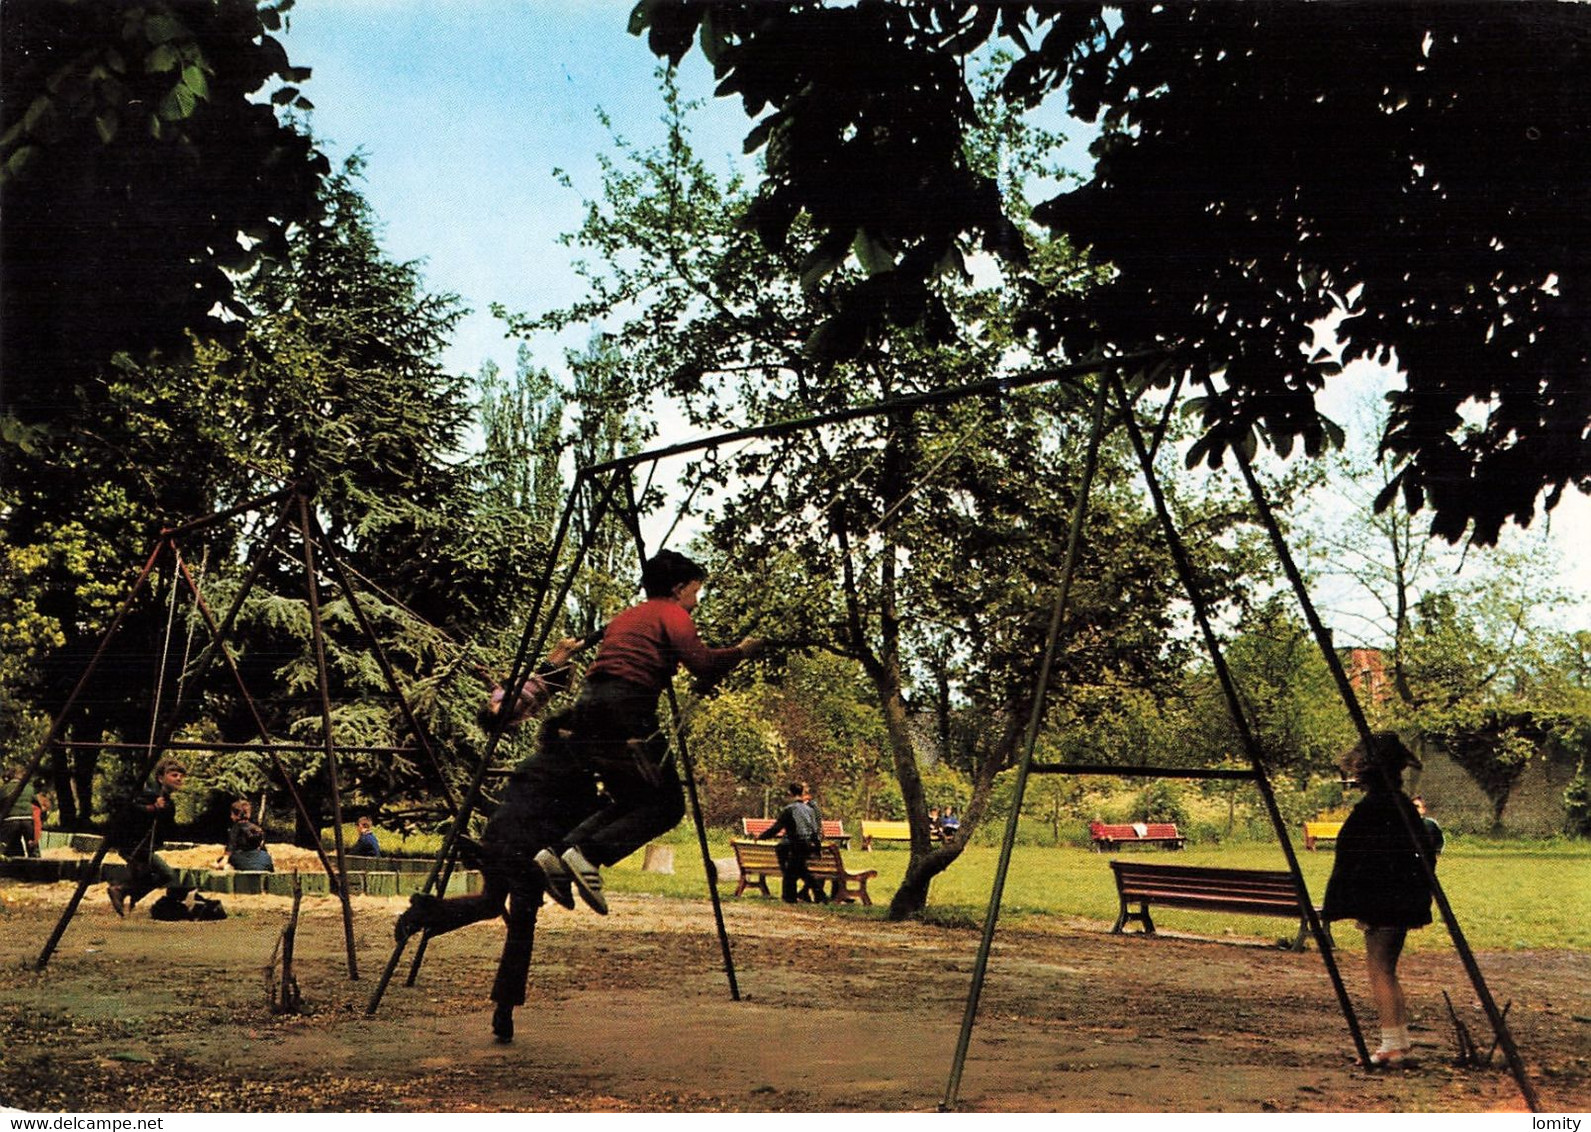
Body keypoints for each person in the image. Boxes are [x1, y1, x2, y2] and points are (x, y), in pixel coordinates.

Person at [533, 551, 762, 915]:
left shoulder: (626, 616)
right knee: (666, 805)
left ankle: (559, 853)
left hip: (589, 710)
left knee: (630, 799)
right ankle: (589, 855)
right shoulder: (672, 614)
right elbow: (702, 663)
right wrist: (741, 652)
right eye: (695, 592)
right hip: (626, 710)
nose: (696, 602)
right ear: (679, 587)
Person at [395, 709, 602, 1043]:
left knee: (491, 903)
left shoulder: (532, 762)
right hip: (528, 853)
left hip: (497, 841)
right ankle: (504, 1008)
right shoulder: (577, 772)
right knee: (521, 929)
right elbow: (586, 820)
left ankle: (425, 912)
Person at [1322, 732, 1436, 1067]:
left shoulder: (1376, 808)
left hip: (1386, 901)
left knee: (1380, 970)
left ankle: (1393, 1046)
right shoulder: (1398, 805)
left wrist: (1353, 902)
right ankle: (1395, 1044)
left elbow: (1357, 856)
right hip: (1397, 899)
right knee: (1385, 969)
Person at [106, 757, 190, 917]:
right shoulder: (150, 794)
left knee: (148, 876)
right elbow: (127, 808)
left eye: (181, 776)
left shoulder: (167, 801)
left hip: (145, 845)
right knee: (167, 874)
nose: (179, 778)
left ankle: (129, 894)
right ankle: (121, 891)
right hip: (134, 844)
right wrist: (152, 808)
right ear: (160, 778)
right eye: (174, 775)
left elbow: (167, 825)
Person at [757, 781, 825, 903]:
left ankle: (792, 898)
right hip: (807, 845)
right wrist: (817, 846)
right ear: (801, 792)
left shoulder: (789, 809)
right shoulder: (809, 810)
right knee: (799, 870)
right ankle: (816, 895)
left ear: (790, 793)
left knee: (792, 872)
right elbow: (815, 830)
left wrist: (761, 837)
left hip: (795, 845)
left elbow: (776, 828)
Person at [3, 767, 38, 858]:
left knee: (7, 846)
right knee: (31, 846)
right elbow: (36, 802)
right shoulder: (29, 788)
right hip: (27, 820)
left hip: (11, 820)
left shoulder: (4, 788)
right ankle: (35, 863)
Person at [215, 798, 255, 868]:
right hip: (254, 857)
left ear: (237, 815)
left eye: (232, 814)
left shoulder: (236, 828)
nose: (231, 816)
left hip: (241, 857)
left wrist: (225, 859)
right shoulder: (255, 827)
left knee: (219, 861)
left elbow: (231, 844)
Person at [1412, 796, 1444, 860]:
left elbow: (1439, 841)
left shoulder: (1430, 824)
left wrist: (1436, 853)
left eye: (1417, 807)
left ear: (1423, 809)